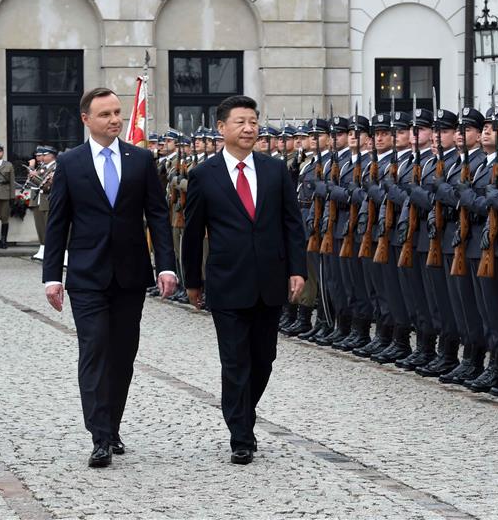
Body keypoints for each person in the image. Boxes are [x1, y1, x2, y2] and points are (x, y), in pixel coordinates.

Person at [42, 87, 176, 468]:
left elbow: (158, 216)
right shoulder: (70, 162)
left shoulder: (140, 160)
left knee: (122, 355)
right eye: (105, 114)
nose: (115, 120)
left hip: (131, 275)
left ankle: (112, 424)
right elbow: (57, 223)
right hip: (86, 276)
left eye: (118, 112)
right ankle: (99, 435)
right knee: (95, 350)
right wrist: (52, 276)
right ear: (86, 119)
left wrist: (166, 265)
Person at [182, 94, 307, 465]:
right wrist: (193, 281)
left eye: (253, 121)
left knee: (263, 359)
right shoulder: (203, 175)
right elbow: (192, 232)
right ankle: (241, 435)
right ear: (222, 128)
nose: (249, 128)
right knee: (235, 361)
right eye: (240, 122)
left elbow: (291, 224)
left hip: (270, 280)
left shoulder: (274, 171)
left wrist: (297, 269)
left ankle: (242, 412)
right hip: (227, 282)